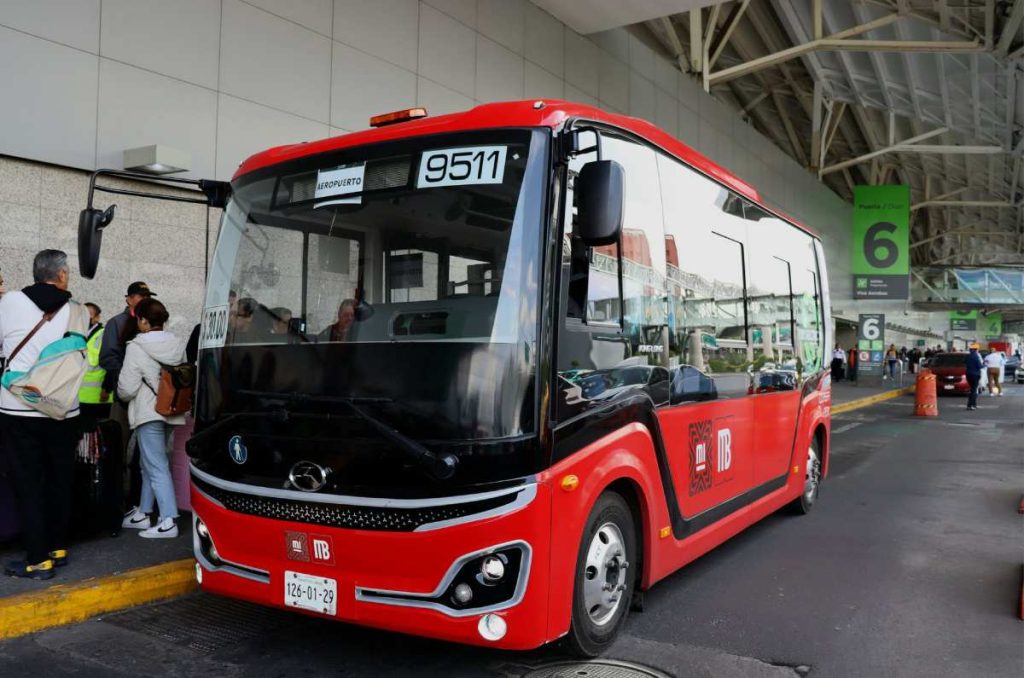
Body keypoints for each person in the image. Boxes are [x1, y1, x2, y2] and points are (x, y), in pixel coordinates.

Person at [0, 250, 84, 579]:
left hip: (18, 407)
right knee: (59, 479)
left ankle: (37, 560)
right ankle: (56, 548)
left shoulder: (9, 304)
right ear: (61, 275)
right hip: (64, 410)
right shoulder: (78, 311)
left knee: (28, 483)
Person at [117, 298, 186, 539]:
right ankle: (144, 513)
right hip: (171, 409)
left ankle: (168, 520)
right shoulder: (177, 344)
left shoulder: (136, 346)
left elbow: (126, 387)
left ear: (144, 320)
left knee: (155, 466)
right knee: (149, 464)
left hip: (148, 411)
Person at [79, 301, 112, 425]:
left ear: (97, 317)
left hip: (97, 399)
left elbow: (111, 364)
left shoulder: (104, 335)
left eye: (89, 315)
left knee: (95, 438)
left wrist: (107, 389)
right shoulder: (74, 333)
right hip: (75, 398)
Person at [965, 344, 984, 411]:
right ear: (976, 349)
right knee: (974, 390)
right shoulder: (976, 356)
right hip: (975, 375)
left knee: (972, 389)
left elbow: (965, 363)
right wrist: (984, 365)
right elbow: (980, 366)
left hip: (968, 375)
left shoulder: (968, 356)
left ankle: (971, 405)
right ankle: (972, 405)